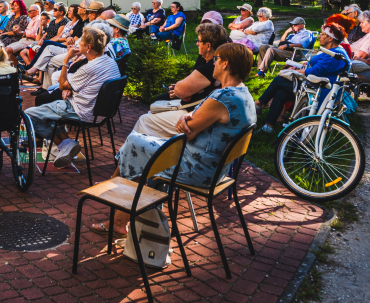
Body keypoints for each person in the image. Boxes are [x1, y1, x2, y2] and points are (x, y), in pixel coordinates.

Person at [93, 43, 256, 236]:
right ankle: (118, 206)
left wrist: (185, 120)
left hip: (197, 169)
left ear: (226, 64)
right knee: (141, 144)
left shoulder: (223, 97)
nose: (213, 63)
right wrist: (186, 120)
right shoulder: (243, 94)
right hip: (212, 167)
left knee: (135, 143)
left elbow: (187, 131)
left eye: (216, 59)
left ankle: (112, 193)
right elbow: (191, 124)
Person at [24, 27, 121, 168]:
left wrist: (66, 60)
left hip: (82, 112)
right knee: (51, 110)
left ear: (88, 47)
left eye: (80, 43)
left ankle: (63, 145)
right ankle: (67, 144)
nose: (77, 45)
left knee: (29, 115)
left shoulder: (89, 68)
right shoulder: (111, 62)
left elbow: (63, 84)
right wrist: (70, 88)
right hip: (102, 113)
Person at [130, 23, 229, 139]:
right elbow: (190, 83)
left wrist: (180, 89)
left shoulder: (211, 66)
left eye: (199, 41)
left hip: (193, 115)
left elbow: (182, 90)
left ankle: (140, 153)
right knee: (154, 107)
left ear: (208, 45)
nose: (197, 44)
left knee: (145, 120)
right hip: (194, 109)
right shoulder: (208, 60)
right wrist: (183, 88)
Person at [256, 23, 350, 133]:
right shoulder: (332, 51)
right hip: (314, 84)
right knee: (281, 92)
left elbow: (317, 71)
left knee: (279, 81)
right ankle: (268, 126)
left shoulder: (336, 54)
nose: (319, 36)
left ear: (330, 38)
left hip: (320, 90)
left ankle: (259, 104)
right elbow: (315, 65)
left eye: (323, 34)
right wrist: (300, 66)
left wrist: (295, 70)